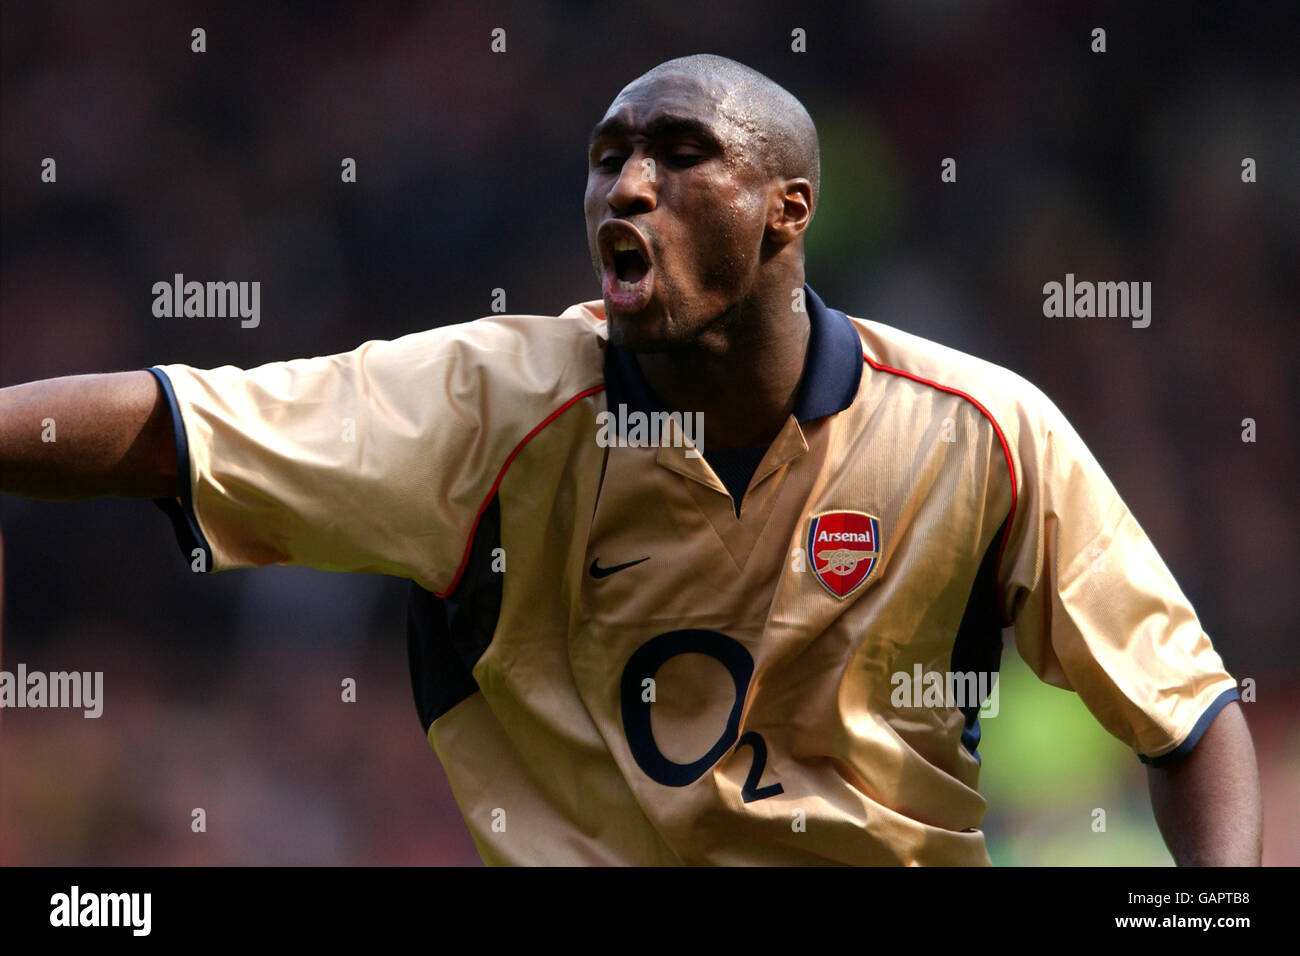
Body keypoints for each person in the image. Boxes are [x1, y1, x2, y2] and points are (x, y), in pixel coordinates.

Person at [0, 54, 1261, 865]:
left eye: (678, 152)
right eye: (608, 156)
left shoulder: (982, 428)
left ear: (788, 208)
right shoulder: (488, 404)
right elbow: (171, 423)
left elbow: (1191, 719)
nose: (628, 184)